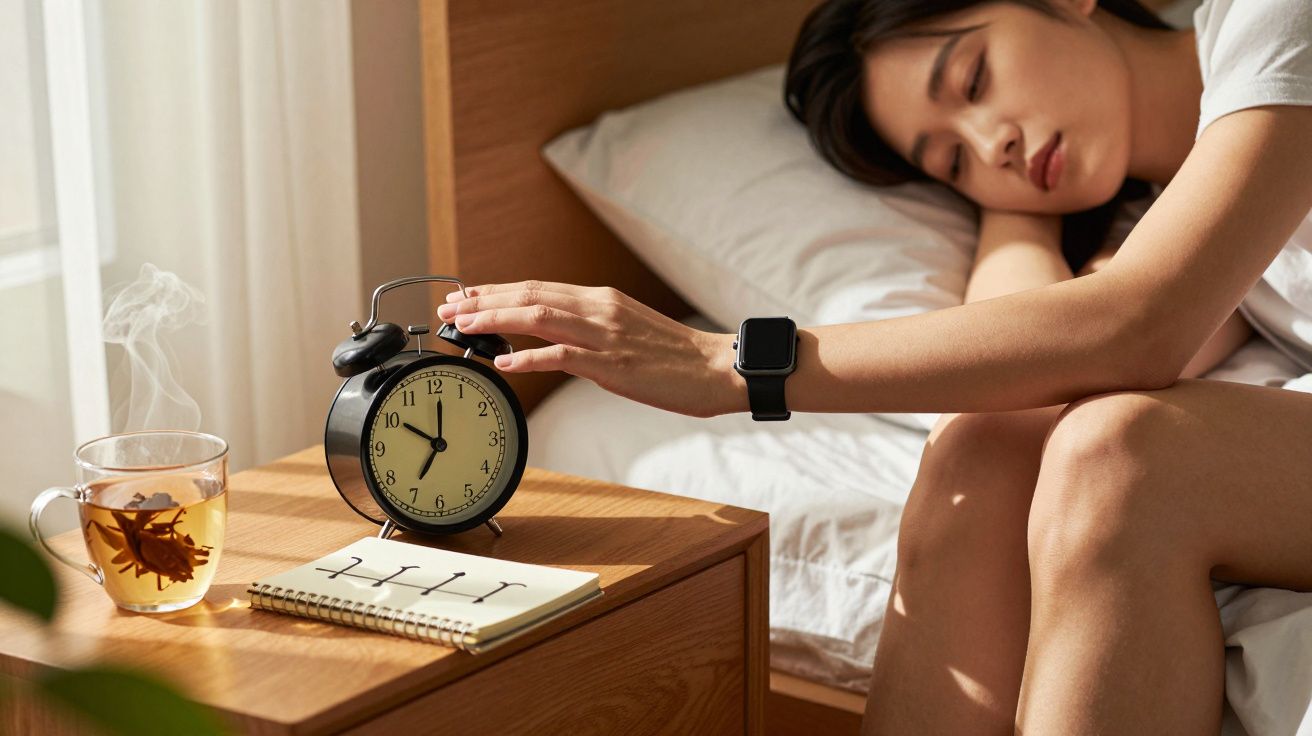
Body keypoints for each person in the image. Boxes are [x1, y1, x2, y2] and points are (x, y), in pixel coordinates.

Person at [434, 0, 1312, 731]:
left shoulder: (1275, 22)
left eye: (974, 79)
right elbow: (1047, 357)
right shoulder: (1173, 208)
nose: (989, 141)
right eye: (951, 160)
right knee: (988, 442)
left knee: (1124, 455)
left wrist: (726, 364)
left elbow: (1137, 327)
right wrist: (1015, 206)